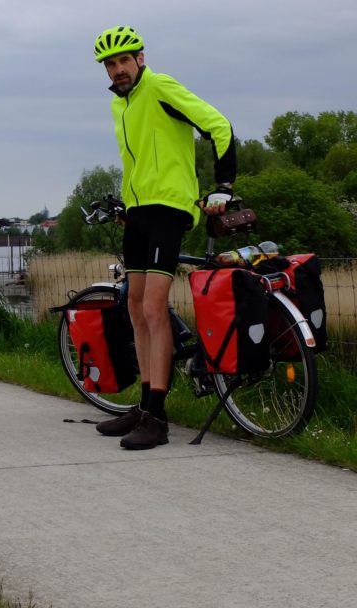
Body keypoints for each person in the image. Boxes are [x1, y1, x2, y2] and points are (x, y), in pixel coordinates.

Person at [91, 25, 237, 449]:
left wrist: (222, 187)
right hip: (138, 214)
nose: (118, 69)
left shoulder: (159, 86)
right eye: (110, 63)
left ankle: (158, 416)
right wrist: (125, 204)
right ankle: (143, 404)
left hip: (169, 211)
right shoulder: (121, 105)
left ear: (140, 58)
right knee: (135, 308)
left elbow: (218, 125)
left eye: (124, 60)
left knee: (154, 309)